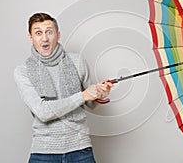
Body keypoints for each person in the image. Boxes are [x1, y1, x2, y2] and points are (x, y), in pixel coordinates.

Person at [14, 12, 113, 163]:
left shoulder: (77, 61)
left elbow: (90, 104)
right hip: (43, 152)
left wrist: (100, 93)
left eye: (49, 32)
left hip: (80, 149)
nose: (45, 38)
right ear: (31, 38)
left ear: (58, 35)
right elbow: (43, 111)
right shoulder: (23, 71)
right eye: (38, 33)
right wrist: (84, 95)